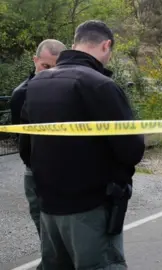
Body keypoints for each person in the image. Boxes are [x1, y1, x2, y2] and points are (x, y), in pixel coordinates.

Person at [19, 20, 145, 269]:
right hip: (90, 210)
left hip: (49, 209)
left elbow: (26, 149)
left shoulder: (35, 85)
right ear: (106, 46)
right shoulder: (100, 85)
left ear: (75, 42)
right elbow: (131, 149)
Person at [10, 38, 67, 270]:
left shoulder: (70, 90)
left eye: (56, 67)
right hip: (35, 173)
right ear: (35, 61)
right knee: (44, 229)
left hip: (67, 171)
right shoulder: (21, 94)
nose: (50, 73)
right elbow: (21, 140)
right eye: (45, 66)